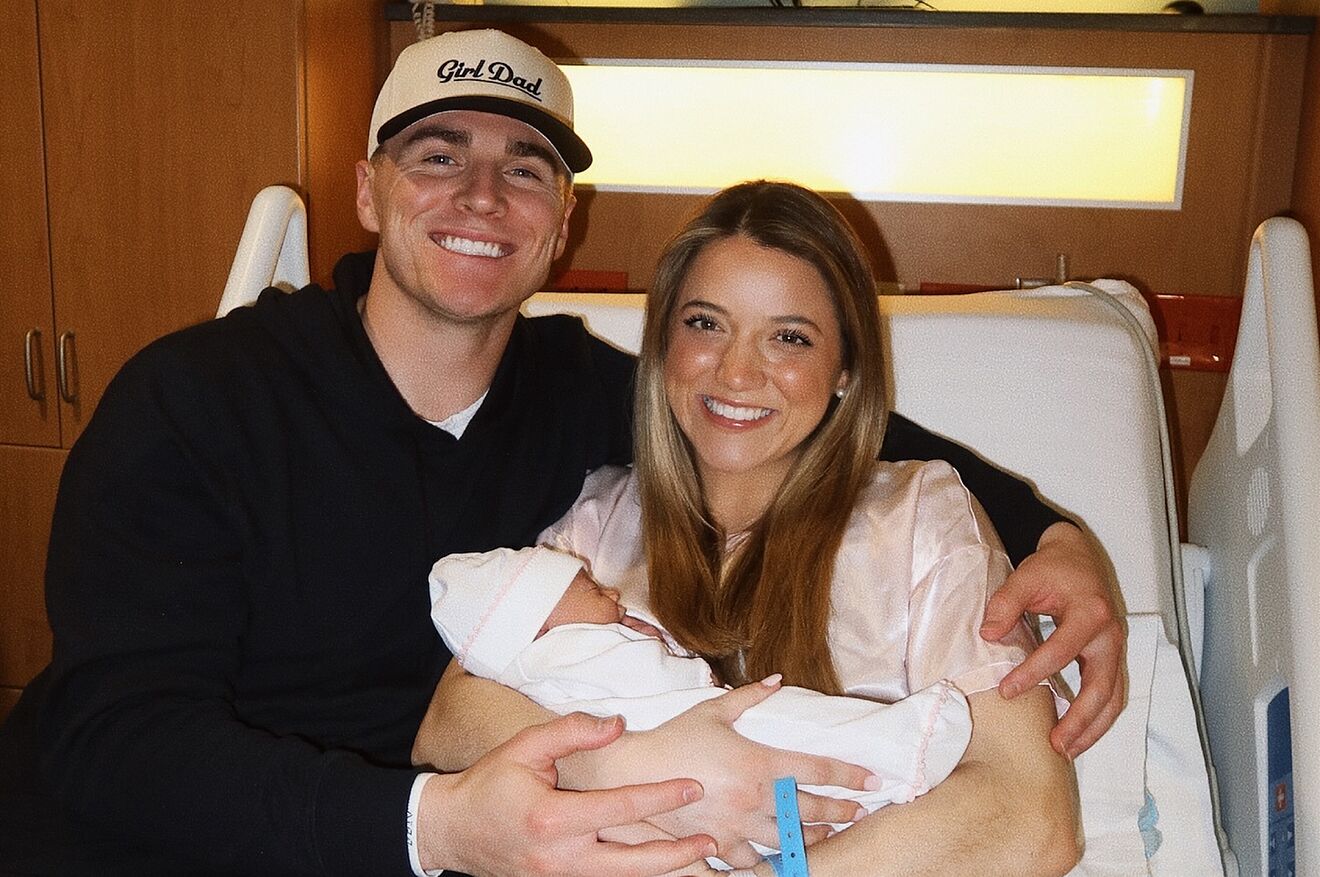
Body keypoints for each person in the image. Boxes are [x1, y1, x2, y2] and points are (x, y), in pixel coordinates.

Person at [0, 28, 1118, 876]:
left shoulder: (581, 397)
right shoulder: (198, 401)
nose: (482, 196)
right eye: (438, 154)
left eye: (525, 168)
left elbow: (797, 409)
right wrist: (436, 824)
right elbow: (113, 744)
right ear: (368, 189)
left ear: (564, 223)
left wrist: (1051, 530)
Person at [417, 180, 1082, 875]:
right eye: (705, 323)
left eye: (789, 338)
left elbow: (1033, 818)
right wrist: (631, 766)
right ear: (663, 343)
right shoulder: (597, 521)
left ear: (845, 369)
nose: (737, 371)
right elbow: (448, 722)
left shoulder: (921, 519)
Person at [428, 543, 972, 844]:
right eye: (590, 590)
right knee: (798, 730)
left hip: (699, 763)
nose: (612, 591)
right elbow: (644, 685)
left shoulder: (560, 648)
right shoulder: (559, 655)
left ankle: (880, 779)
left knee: (794, 766)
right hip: (693, 733)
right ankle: (903, 745)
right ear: (539, 625)